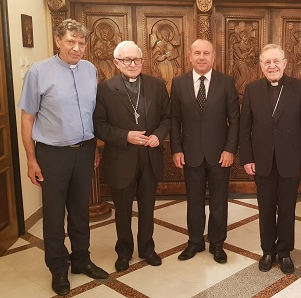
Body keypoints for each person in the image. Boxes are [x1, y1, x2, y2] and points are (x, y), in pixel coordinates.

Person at [18, 19, 109, 296]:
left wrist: (94, 147)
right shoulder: (38, 72)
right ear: (58, 41)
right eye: (71, 41)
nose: (77, 48)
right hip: (52, 154)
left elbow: (91, 115)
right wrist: (31, 159)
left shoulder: (91, 70)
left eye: (82, 43)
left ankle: (81, 259)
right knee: (55, 215)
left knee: (81, 211)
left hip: (84, 151)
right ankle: (58, 268)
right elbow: (27, 118)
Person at [93, 41, 170, 272]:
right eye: (126, 60)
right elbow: (99, 125)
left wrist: (159, 135)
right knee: (123, 209)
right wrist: (125, 135)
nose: (132, 64)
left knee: (147, 207)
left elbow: (168, 117)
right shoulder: (105, 89)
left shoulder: (157, 85)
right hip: (121, 158)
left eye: (136, 59)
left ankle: (147, 248)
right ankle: (124, 251)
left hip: (150, 156)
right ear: (117, 63)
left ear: (143, 61)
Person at [239, 44, 301, 274]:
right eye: (267, 62)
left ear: (284, 63)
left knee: (287, 209)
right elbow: (245, 128)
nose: (272, 65)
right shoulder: (252, 89)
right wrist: (247, 158)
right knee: (265, 208)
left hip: (291, 160)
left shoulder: (299, 88)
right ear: (261, 66)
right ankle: (267, 251)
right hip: (261, 160)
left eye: (276, 61)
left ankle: (284, 252)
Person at [170, 39, 240, 264]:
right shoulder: (178, 83)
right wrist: (176, 149)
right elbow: (174, 119)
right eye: (197, 53)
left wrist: (230, 149)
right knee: (194, 201)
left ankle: (217, 244)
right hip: (190, 154)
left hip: (220, 155)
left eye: (206, 53)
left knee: (219, 202)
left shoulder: (226, 82)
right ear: (189, 56)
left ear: (213, 57)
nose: (201, 57)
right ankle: (195, 242)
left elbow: (234, 119)